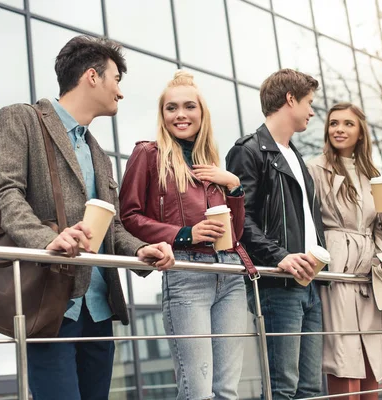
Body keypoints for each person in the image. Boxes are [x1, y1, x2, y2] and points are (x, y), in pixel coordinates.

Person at [0, 35, 175, 400]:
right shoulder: (20, 119)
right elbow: (6, 195)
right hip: (50, 305)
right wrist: (46, 241)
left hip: (99, 310)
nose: (120, 92)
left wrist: (143, 250)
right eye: (116, 80)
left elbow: (113, 227)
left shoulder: (99, 154)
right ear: (92, 76)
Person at [119, 70, 248, 400]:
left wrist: (233, 186)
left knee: (227, 392)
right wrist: (184, 234)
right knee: (198, 393)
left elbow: (235, 235)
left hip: (230, 275)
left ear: (201, 113)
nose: (180, 114)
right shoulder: (148, 155)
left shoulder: (212, 164)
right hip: (187, 275)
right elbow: (129, 217)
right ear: (162, 115)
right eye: (171, 108)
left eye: (189, 106)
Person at [226, 69, 327, 399]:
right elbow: (239, 221)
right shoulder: (249, 151)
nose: (312, 111)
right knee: (282, 388)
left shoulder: (296, 156)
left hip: (309, 285)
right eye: (309, 102)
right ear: (290, 99)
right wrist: (280, 256)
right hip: (277, 284)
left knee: (309, 388)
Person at [307, 102, 382, 399]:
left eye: (348, 124)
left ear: (361, 133)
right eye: (334, 123)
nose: (339, 129)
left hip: (368, 276)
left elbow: (381, 234)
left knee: (370, 361)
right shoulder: (314, 168)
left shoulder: (372, 174)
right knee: (344, 359)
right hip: (337, 271)